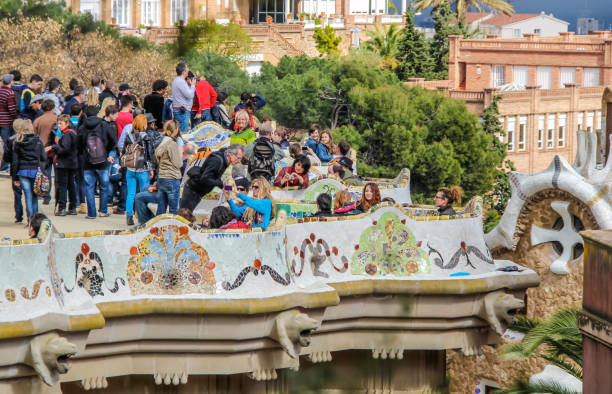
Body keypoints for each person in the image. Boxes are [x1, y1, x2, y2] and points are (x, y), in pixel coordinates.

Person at [180, 143, 244, 212]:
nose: (239, 161)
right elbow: (205, 178)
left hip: (198, 191)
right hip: (192, 190)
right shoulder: (217, 160)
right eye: (238, 158)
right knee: (184, 215)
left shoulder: (225, 160)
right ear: (231, 154)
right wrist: (221, 184)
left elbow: (216, 178)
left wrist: (229, 188)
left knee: (186, 214)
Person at [78, 105, 116, 219]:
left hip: (87, 161)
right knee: (104, 186)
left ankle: (91, 213)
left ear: (86, 114)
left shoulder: (82, 127)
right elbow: (113, 140)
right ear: (97, 113)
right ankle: (103, 211)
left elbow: (78, 145)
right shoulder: (104, 125)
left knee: (89, 187)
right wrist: (108, 152)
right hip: (103, 160)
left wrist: (84, 153)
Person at [11, 118, 46, 220]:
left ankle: (30, 218)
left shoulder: (18, 142)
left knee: (28, 196)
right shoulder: (38, 141)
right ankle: (35, 219)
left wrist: (15, 177)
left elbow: (15, 162)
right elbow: (43, 157)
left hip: (22, 170)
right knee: (34, 195)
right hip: (35, 169)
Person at [122, 115, 152, 225]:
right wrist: (152, 169)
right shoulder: (146, 136)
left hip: (130, 168)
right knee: (144, 194)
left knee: (131, 193)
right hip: (142, 169)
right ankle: (142, 216)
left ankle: (129, 217)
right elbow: (149, 154)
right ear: (143, 124)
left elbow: (123, 151)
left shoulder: (129, 135)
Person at [51, 115, 78, 216]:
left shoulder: (67, 135)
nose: (59, 126)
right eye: (58, 123)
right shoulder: (73, 133)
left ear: (67, 123)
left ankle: (62, 208)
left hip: (64, 163)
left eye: (61, 123)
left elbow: (64, 148)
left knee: (62, 186)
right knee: (71, 185)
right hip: (72, 163)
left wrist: (55, 147)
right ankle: (72, 207)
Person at [155, 120, 183, 215]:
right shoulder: (172, 144)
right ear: (174, 130)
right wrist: (181, 156)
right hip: (172, 178)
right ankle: (172, 230)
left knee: (161, 209)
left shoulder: (161, 141)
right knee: (173, 210)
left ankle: (158, 228)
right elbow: (178, 163)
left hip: (162, 177)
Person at [0, 74, 18, 171]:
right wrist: (16, 117)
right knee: (7, 145)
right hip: (6, 122)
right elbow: (11, 109)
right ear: (11, 81)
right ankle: (4, 166)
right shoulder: (10, 93)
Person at [171, 62, 195, 133]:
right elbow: (190, 95)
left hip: (180, 110)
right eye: (187, 68)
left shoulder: (177, 80)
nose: (188, 70)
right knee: (183, 134)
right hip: (182, 112)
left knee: (180, 132)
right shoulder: (180, 81)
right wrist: (193, 85)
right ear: (184, 71)